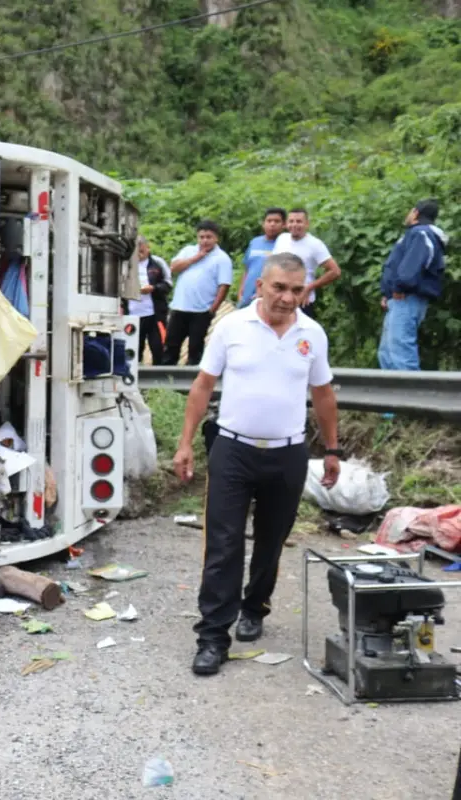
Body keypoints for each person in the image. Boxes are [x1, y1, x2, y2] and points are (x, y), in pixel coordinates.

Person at [173, 253, 342, 676]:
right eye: (279, 287)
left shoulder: (312, 334)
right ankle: (213, 637)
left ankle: (255, 606)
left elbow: (322, 395)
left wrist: (333, 450)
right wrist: (185, 443)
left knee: (271, 542)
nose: (287, 298)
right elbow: (203, 385)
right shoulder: (232, 328)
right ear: (260, 286)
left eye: (296, 289)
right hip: (233, 450)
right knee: (224, 545)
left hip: (288, 454)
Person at [378, 199, 447, 371]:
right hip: (398, 299)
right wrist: (387, 294)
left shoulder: (421, 234)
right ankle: (392, 396)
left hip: (406, 298)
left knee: (401, 353)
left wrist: (399, 287)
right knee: (387, 353)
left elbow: (411, 266)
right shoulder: (416, 234)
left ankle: (413, 396)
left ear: (415, 213)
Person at [163, 220, 233, 366]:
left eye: (209, 237)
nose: (205, 240)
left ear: (216, 238)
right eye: (201, 237)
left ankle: (190, 384)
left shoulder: (222, 258)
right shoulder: (188, 250)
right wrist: (196, 258)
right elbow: (173, 267)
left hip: (201, 310)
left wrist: (213, 309)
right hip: (179, 307)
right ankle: (164, 382)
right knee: (171, 345)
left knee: (195, 348)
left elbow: (224, 286)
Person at [272, 207, 341, 318]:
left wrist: (309, 287)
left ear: (307, 224)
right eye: (291, 221)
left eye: (299, 221)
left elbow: (335, 271)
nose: (294, 225)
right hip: (278, 297)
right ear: (286, 223)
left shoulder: (315, 244)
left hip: (301, 300)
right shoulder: (282, 239)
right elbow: (272, 264)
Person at [127, 237, 172, 365]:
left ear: (148, 248)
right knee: (133, 349)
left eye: (142, 251)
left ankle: (159, 380)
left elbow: (168, 284)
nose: (140, 254)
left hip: (155, 314)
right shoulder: (126, 264)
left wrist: (154, 288)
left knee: (158, 347)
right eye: (137, 251)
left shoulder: (158, 263)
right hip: (132, 314)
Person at [237, 208, 286, 306]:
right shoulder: (255, 242)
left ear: (284, 225)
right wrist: (241, 290)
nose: (272, 224)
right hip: (246, 298)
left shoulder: (285, 245)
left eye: (277, 221)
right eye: (269, 221)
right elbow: (247, 268)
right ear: (263, 223)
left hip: (269, 299)